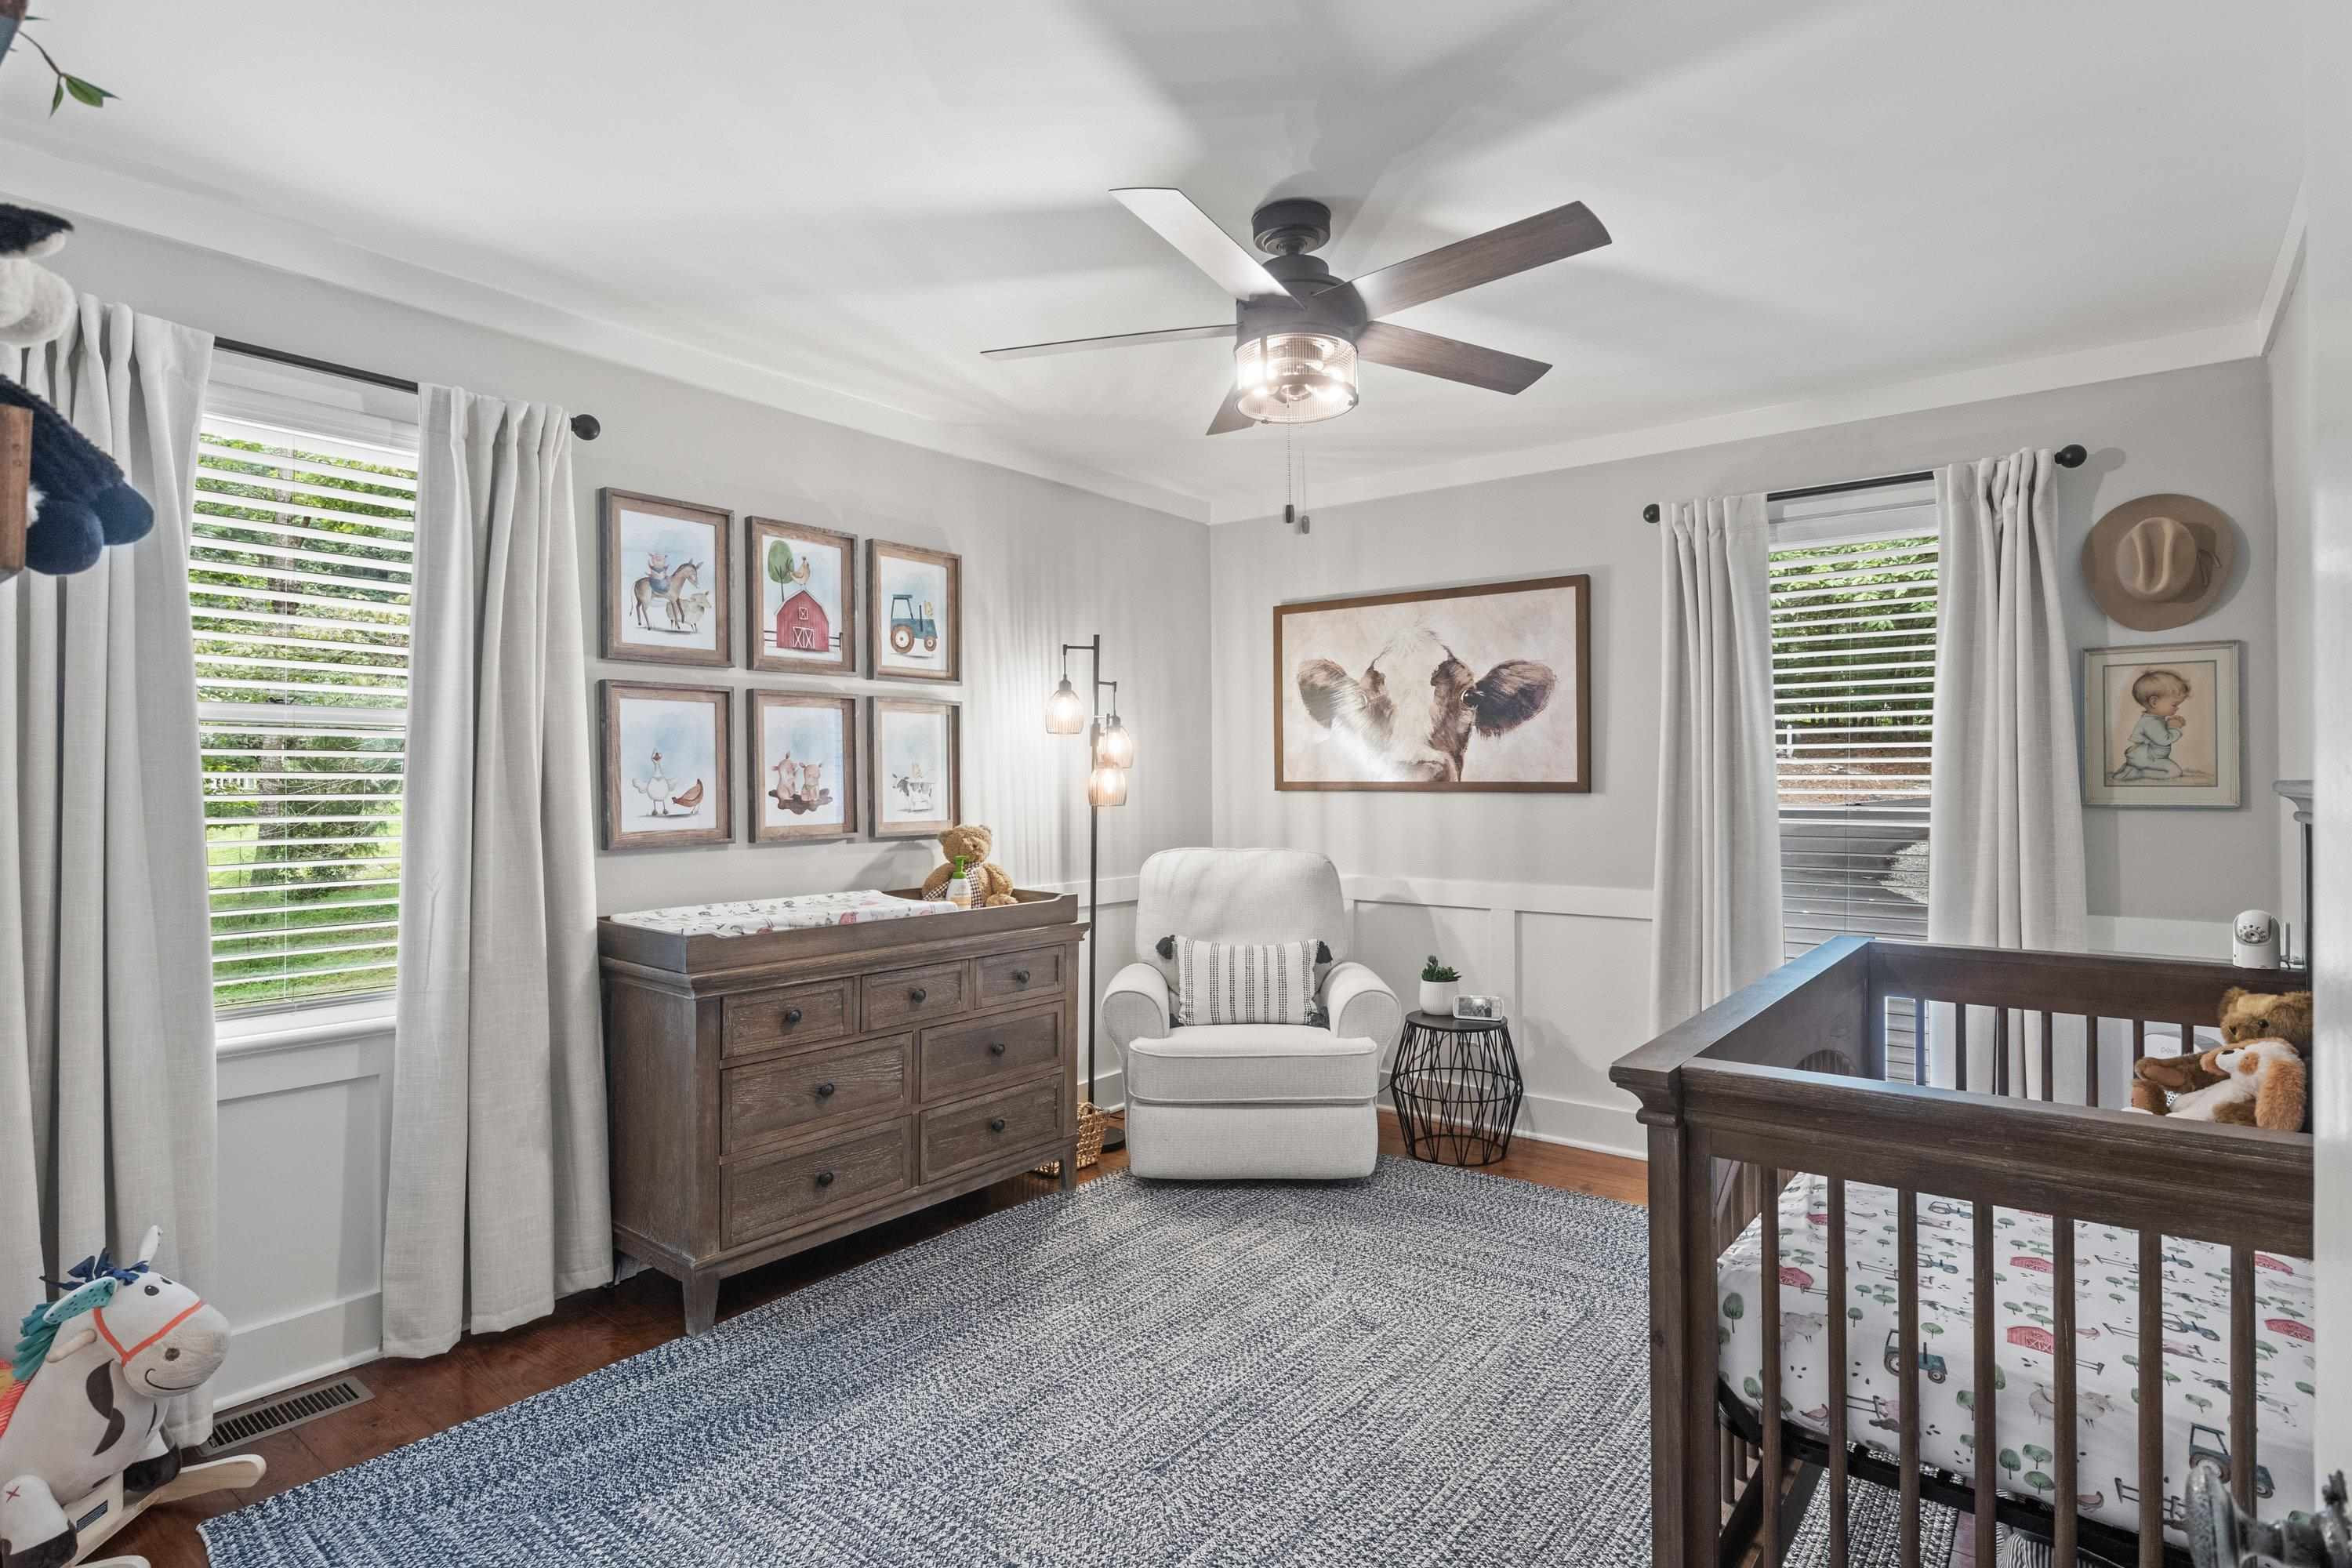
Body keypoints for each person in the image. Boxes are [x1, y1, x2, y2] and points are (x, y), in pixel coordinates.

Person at [2111, 668, 2190, 782]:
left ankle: (2131, 769)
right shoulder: (2152, 722)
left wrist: (2169, 724)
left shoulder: (2153, 719)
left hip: (2146, 756)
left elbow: (2158, 735)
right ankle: (2140, 773)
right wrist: (2174, 727)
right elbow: (2164, 740)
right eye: (2174, 704)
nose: (2177, 708)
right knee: (2176, 772)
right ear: (2154, 702)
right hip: (2148, 757)